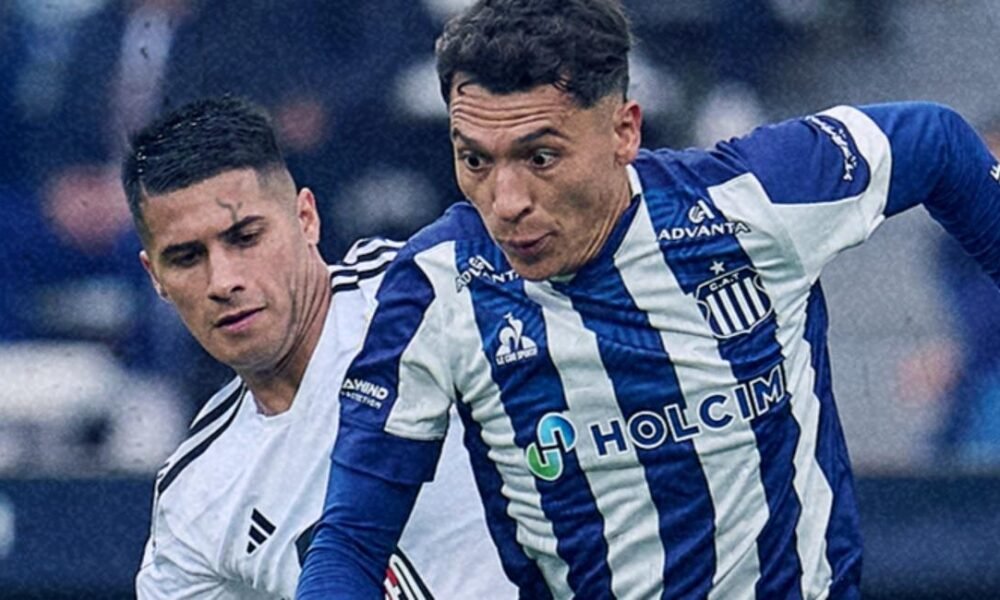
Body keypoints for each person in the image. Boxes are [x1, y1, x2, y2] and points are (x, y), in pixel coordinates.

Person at [296, 0, 1000, 598]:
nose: (505, 202)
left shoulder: (749, 201)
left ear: (624, 131)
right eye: (475, 158)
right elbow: (351, 542)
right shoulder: (436, 286)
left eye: (540, 157)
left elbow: (936, 142)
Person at [125, 96, 516, 599]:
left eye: (245, 237)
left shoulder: (434, 291)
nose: (222, 281)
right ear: (155, 276)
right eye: (186, 258)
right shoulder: (195, 502)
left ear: (306, 218)